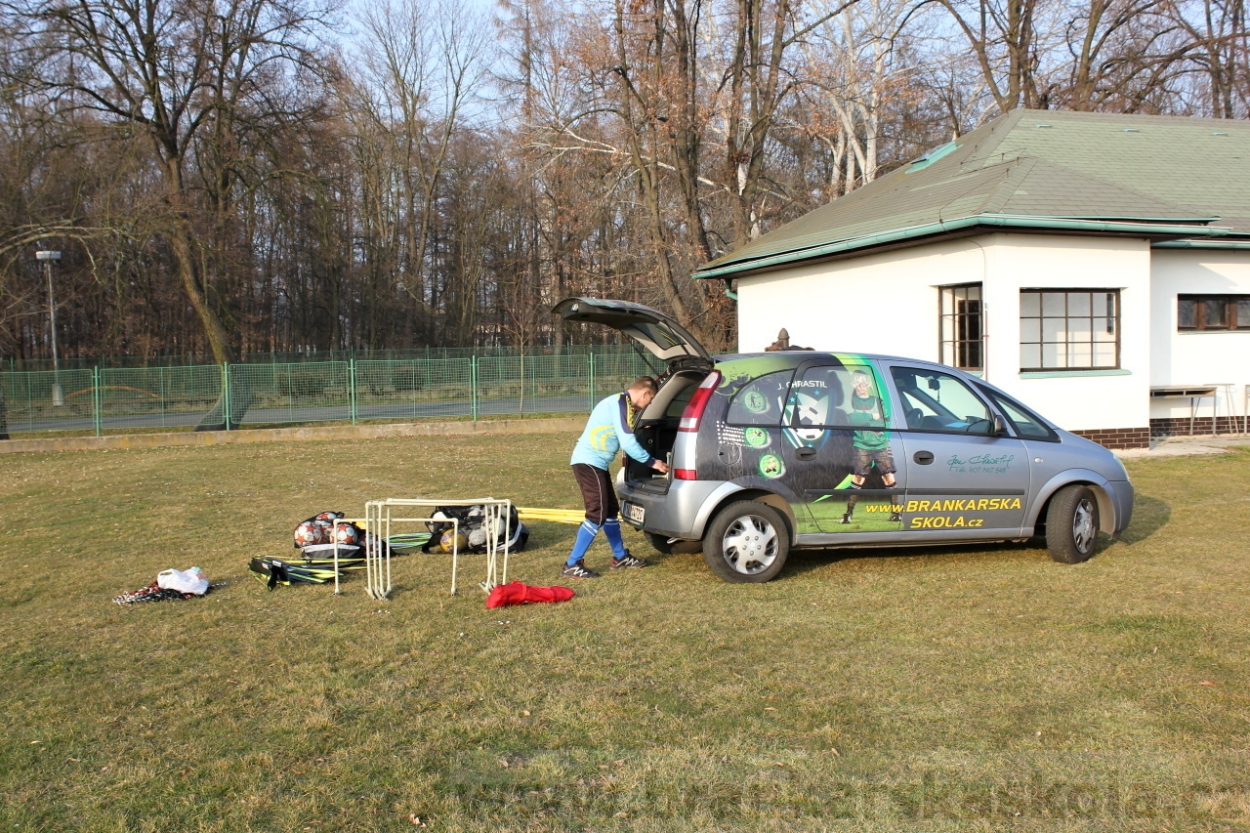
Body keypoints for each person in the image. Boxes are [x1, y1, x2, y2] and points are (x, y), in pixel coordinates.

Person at [562, 376, 670, 578]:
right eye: (651, 399)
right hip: (589, 462)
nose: (650, 403)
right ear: (645, 393)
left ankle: (620, 557)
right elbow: (627, 441)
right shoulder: (620, 404)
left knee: (610, 511)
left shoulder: (623, 403)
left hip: (596, 464)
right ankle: (572, 564)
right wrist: (652, 462)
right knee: (597, 513)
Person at [842, 369, 902, 524]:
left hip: (881, 444)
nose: (861, 386)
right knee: (858, 478)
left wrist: (864, 419)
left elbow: (884, 423)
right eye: (858, 382)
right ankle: (848, 513)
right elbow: (852, 421)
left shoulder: (879, 401)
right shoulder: (849, 402)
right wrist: (872, 417)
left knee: (889, 477)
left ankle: (896, 513)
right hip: (861, 444)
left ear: (869, 384)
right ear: (853, 384)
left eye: (864, 382)